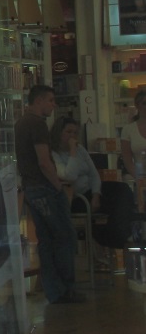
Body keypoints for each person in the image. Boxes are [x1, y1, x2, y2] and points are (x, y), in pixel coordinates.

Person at [15, 85, 82, 304]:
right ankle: (67, 288)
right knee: (64, 237)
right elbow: (44, 161)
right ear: (40, 100)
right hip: (45, 187)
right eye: (51, 101)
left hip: (31, 188)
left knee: (45, 240)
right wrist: (57, 186)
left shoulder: (21, 123)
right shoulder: (37, 125)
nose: (54, 105)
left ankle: (53, 290)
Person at [51, 116, 134, 250]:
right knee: (116, 203)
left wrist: (96, 194)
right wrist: (72, 151)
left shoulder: (81, 150)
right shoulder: (54, 154)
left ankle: (116, 231)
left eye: (75, 133)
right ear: (59, 133)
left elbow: (94, 174)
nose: (72, 136)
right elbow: (70, 176)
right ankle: (116, 235)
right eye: (68, 132)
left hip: (92, 191)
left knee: (122, 190)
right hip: (77, 196)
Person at [120, 89, 146, 183]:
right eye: (144, 103)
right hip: (140, 178)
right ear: (137, 105)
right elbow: (127, 161)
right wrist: (140, 178)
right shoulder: (128, 130)